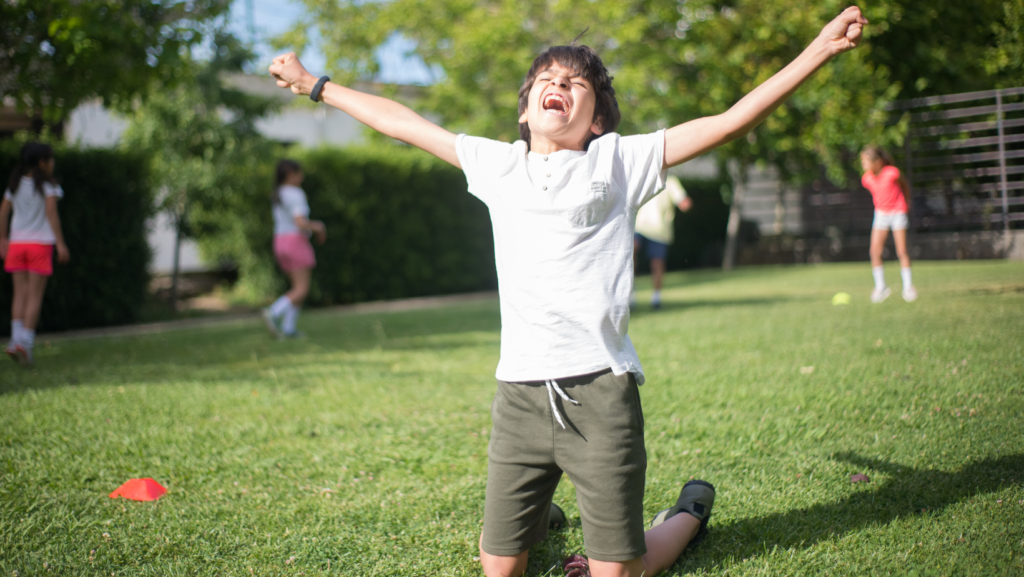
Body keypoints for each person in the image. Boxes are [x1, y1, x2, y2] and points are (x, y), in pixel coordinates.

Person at [269, 7, 866, 576]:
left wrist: (819, 48)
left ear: (597, 119)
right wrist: (316, 84)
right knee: (500, 568)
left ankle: (685, 515)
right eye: (547, 79)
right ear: (526, 110)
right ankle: (540, 513)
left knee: (616, 572)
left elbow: (729, 121)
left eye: (576, 83)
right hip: (519, 396)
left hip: (600, 396)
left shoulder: (618, 161)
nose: (559, 84)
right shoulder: (498, 165)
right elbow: (403, 122)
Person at [0, 142, 70, 367]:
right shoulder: (48, 187)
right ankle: (26, 342)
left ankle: (14, 339)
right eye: (51, 159)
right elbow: (51, 214)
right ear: (42, 163)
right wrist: (61, 243)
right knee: (34, 296)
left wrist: (3, 239)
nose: (53, 163)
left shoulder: (15, 184)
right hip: (39, 245)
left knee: (19, 294)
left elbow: (3, 213)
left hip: (17, 245)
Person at [263, 159, 326, 339]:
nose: (302, 177)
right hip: (295, 242)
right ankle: (273, 312)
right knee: (301, 289)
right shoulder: (295, 193)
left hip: (280, 242)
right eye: (299, 173)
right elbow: (300, 223)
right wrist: (319, 226)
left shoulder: (277, 193)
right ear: (291, 174)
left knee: (295, 288)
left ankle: (289, 329)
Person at [860, 145, 917, 303]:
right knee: (874, 251)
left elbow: (905, 185)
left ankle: (908, 287)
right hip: (881, 215)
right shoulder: (867, 179)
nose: (863, 165)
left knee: (902, 251)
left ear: (877, 162)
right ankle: (881, 287)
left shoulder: (892, 173)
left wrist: (907, 201)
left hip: (898, 213)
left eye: (865, 161)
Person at [633, 175, 691, 310]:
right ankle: (630, 293)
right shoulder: (643, 176)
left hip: (660, 231)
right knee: (631, 251)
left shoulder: (670, 181)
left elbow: (682, 201)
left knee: (657, 263)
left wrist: (685, 203)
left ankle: (656, 297)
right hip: (640, 227)